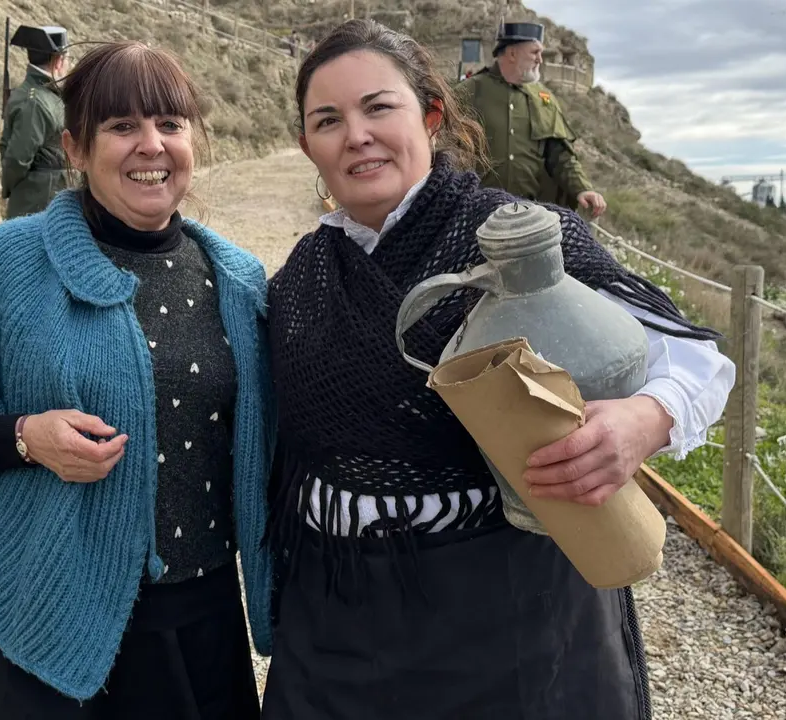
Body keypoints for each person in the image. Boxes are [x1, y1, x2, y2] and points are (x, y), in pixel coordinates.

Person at [262, 18, 735, 719]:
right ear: (308, 147)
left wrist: (645, 419)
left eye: (377, 107)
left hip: (504, 602)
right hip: (334, 617)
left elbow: (693, 356)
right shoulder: (298, 276)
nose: (354, 133)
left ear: (429, 116)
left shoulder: (515, 233)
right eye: (327, 120)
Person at [0, 41, 273, 719]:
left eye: (169, 125)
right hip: (39, 619)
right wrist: (24, 438)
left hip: (195, 623)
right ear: (75, 147)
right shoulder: (0, 266)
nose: (151, 146)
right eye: (121, 127)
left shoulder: (237, 278)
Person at [458, 21, 608, 218]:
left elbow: (560, 156)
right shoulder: (468, 91)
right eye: (534, 52)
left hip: (530, 216)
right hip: (475, 213)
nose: (540, 59)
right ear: (512, 54)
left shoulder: (544, 99)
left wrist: (582, 188)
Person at [0, 25, 70, 219]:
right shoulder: (35, 102)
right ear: (58, 61)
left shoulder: (44, 94)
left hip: (49, 195)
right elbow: (17, 158)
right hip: (38, 198)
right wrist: (9, 188)